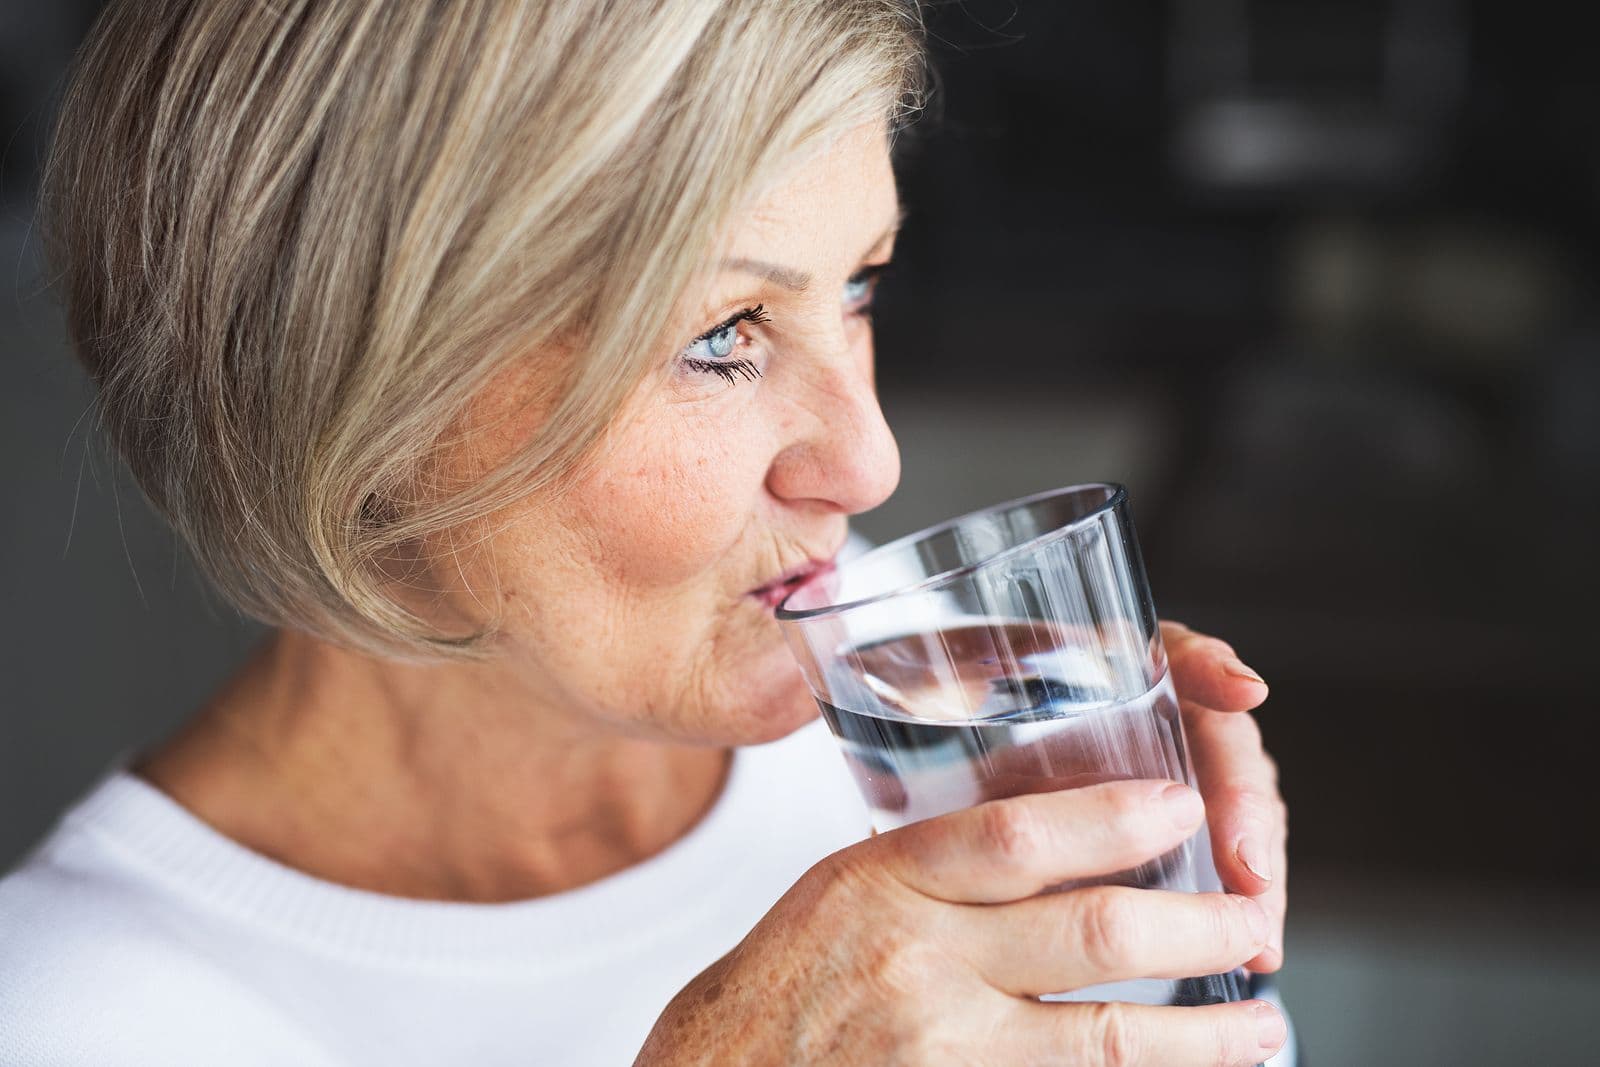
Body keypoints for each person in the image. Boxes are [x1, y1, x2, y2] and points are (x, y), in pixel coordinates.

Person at [0, 2, 1294, 1064]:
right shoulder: (73, 1018)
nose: (870, 460)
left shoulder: (952, 753)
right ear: (358, 390)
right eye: (721, 339)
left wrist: (1159, 932)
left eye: (858, 285)